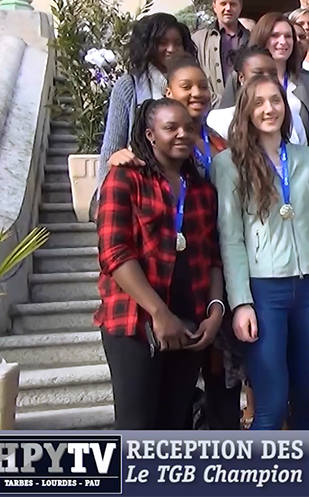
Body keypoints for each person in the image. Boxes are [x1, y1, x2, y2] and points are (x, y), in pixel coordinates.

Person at [211, 74, 309, 430]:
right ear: (246, 110)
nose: (269, 109)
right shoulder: (229, 164)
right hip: (264, 292)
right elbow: (230, 239)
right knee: (273, 402)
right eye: (259, 102)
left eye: (275, 100)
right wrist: (241, 303)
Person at [95, 98, 223, 430]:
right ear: (150, 135)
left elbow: (212, 256)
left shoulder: (201, 190)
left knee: (175, 426)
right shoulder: (125, 179)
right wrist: (159, 313)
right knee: (137, 428)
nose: (183, 134)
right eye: (171, 128)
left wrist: (215, 311)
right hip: (136, 324)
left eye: (189, 128)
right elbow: (114, 253)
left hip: (189, 325)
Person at [96, 13, 197, 201]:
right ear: (148, 46)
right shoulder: (129, 86)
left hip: (185, 186)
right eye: (162, 42)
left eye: (177, 43)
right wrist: (102, 199)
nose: (171, 49)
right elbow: (112, 147)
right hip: (141, 189)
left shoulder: (193, 86)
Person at [249, 13, 309, 145]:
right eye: (275, 35)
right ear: (262, 37)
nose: (283, 41)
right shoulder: (242, 78)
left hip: (300, 159)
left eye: (288, 36)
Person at [192, 0, 249, 107]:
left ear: (240, 7)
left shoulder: (252, 39)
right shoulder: (198, 39)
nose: (228, 8)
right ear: (214, 7)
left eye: (233, 4)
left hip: (244, 108)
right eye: (223, 4)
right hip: (209, 109)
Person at [207, 46, 279, 137]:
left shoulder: (291, 118)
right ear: (241, 77)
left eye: (273, 74)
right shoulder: (220, 120)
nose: (267, 78)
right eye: (258, 73)